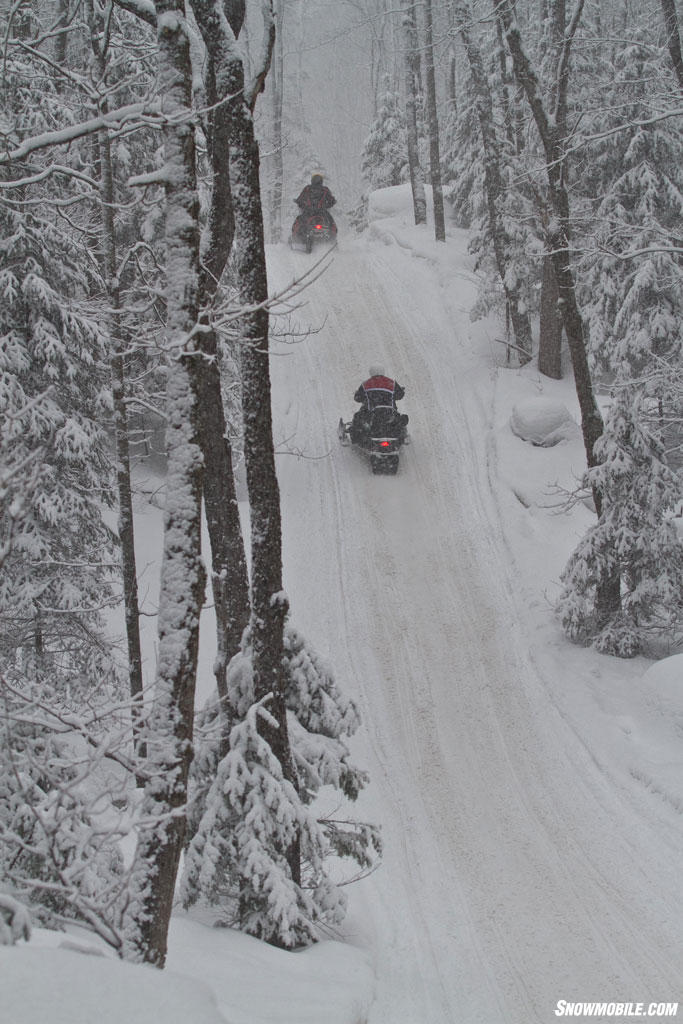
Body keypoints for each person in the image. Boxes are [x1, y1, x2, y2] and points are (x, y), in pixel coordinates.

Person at [350, 368, 408, 444]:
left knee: (357, 417)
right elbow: (400, 395)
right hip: (390, 413)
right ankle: (401, 435)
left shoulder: (366, 384)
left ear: (371, 372)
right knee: (399, 420)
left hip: (372, 415)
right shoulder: (392, 383)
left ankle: (357, 439)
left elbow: (357, 398)